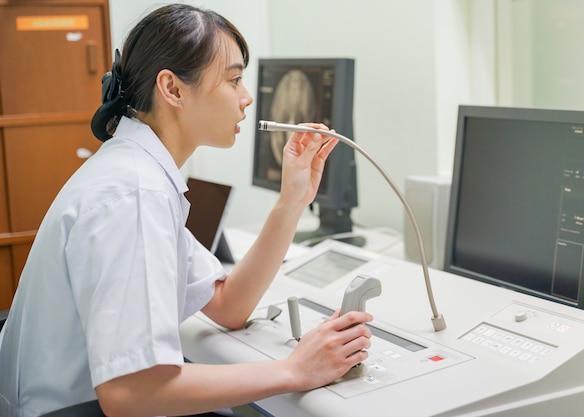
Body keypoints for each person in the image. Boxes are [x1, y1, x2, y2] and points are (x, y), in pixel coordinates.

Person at [0, 4, 373, 417]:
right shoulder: (135, 194)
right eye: (233, 80)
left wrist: (292, 201)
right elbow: (131, 393)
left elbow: (228, 304)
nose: (247, 98)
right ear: (173, 89)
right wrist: (294, 370)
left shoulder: (141, 173)